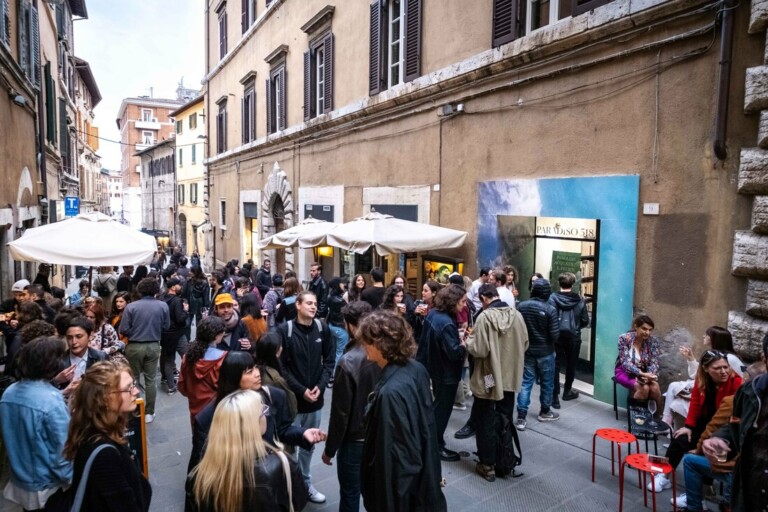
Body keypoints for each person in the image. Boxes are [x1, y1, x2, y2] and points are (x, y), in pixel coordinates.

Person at [357, 310, 447, 511]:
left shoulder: (390, 393)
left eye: (367, 341)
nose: (364, 346)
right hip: (424, 480)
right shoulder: (416, 368)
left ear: (381, 344)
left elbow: (395, 461)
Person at [190, 352, 325, 474]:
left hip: (266, 476)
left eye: (255, 367)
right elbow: (198, 468)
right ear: (233, 378)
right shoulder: (209, 417)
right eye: (249, 371)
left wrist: (302, 433)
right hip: (231, 482)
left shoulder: (273, 397)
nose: (257, 373)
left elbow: (282, 430)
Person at [186, 390, 307, 512]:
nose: (266, 414)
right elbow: (299, 502)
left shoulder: (199, 476)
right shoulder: (281, 465)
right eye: (263, 411)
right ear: (252, 425)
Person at [649, 350, 742, 495]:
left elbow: (722, 420)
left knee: (711, 450)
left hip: (725, 428)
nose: (724, 371)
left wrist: (701, 444)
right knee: (679, 438)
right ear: (706, 369)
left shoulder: (735, 382)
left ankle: (704, 488)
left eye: (726, 367)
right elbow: (695, 402)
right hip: (704, 423)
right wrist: (689, 426)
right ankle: (664, 475)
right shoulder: (702, 379)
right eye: (717, 368)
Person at [63, 360, 151, 511]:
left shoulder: (98, 433)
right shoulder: (105, 455)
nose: (136, 391)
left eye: (133, 384)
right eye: (128, 388)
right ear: (105, 399)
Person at [0, 337, 72, 511]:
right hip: (46, 486)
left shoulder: (9, 393)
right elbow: (62, 452)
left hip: (20, 479)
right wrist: (72, 480)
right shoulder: (51, 401)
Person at [466, 284, 528, 481]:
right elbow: (525, 343)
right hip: (509, 376)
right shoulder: (516, 315)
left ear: (484, 298)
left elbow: (480, 350)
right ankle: (505, 461)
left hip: (489, 378)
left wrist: (467, 341)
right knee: (504, 418)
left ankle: (487, 464)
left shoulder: (484, 317)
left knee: (485, 417)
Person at [278, 291, 334, 504]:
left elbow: (329, 362)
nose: (313, 307)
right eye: (309, 303)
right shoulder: (286, 331)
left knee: (309, 445)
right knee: (290, 445)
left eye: (315, 303)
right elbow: (281, 367)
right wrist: (301, 390)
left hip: (315, 401)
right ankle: (290, 485)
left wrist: (320, 387)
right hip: (292, 401)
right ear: (298, 305)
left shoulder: (322, 328)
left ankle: (306, 483)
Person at [322, 301, 378, 511]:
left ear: (351, 326)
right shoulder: (385, 350)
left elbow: (340, 414)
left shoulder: (347, 361)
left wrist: (330, 449)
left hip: (355, 439)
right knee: (374, 492)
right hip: (379, 434)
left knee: (350, 493)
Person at [703, 335, 768, 512]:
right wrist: (720, 440)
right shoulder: (749, 392)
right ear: (765, 359)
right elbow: (737, 426)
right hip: (748, 492)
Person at [416, 283, 468, 462]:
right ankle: (435, 446)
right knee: (442, 411)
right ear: (453, 301)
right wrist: (463, 345)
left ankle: (433, 441)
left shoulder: (434, 314)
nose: (464, 305)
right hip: (446, 373)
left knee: (437, 407)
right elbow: (454, 352)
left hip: (435, 368)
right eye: (462, 301)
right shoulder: (445, 323)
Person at [662, 326, 745, 427]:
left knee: (674, 391)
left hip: (720, 398)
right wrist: (691, 359)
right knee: (676, 398)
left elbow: (740, 382)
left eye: (707, 334)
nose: (703, 336)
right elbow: (700, 376)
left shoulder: (730, 358)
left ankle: (666, 424)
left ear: (714, 339)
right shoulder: (711, 355)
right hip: (708, 391)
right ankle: (668, 425)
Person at [119, 277, 170, 424]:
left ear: (140, 290)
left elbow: (123, 329)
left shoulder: (131, 307)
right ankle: (149, 412)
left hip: (134, 346)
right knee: (151, 379)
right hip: (153, 345)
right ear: (156, 290)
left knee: (133, 379)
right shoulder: (163, 306)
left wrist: (135, 331)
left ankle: (135, 409)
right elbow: (166, 327)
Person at [515, 278, 560, 430]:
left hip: (527, 350)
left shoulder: (521, 306)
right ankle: (545, 411)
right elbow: (554, 335)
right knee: (547, 383)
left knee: (526, 382)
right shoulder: (550, 309)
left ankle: (521, 417)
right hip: (546, 351)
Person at [548, 272, 590, 404]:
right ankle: (567, 391)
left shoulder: (553, 298)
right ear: (573, 284)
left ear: (560, 283)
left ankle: (554, 396)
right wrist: (576, 327)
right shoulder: (580, 300)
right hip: (574, 337)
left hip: (556, 336)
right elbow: (585, 320)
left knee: (555, 365)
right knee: (571, 364)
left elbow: (550, 317)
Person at [178, 316, 227, 420]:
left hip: (196, 410)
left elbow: (182, 386)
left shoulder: (188, 357)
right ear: (216, 336)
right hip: (217, 410)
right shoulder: (223, 359)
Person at [614, 314, 662, 416]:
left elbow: (655, 361)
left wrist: (649, 375)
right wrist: (642, 374)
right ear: (636, 327)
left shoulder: (653, 341)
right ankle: (636, 420)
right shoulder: (624, 338)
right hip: (624, 371)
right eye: (644, 329)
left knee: (655, 388)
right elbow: (625, 362)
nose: (647, 332)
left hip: (645, 372)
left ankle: (656, 419)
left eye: (650, 330)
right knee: (643, 388)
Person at [326, 277, 349, 380]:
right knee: (340, 352)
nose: (343, 285)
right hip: (340, 328)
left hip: (332, 325)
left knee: (335, 351)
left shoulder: (330, 296)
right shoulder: (339, 300)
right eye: (341, 283)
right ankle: (334, 375)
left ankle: (331, 373)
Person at [182, 266, 211, 340]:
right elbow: (206, 295)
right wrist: (206, 306)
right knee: (199, 323)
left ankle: (189, 339)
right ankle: (198, 339)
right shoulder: (204, 282)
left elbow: (184, 293)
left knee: (189, 323)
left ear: (194, 273)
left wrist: (185, 302)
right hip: (199, 304)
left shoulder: (188, 281)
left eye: (191, 271)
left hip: (190, 304)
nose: (189, 272)